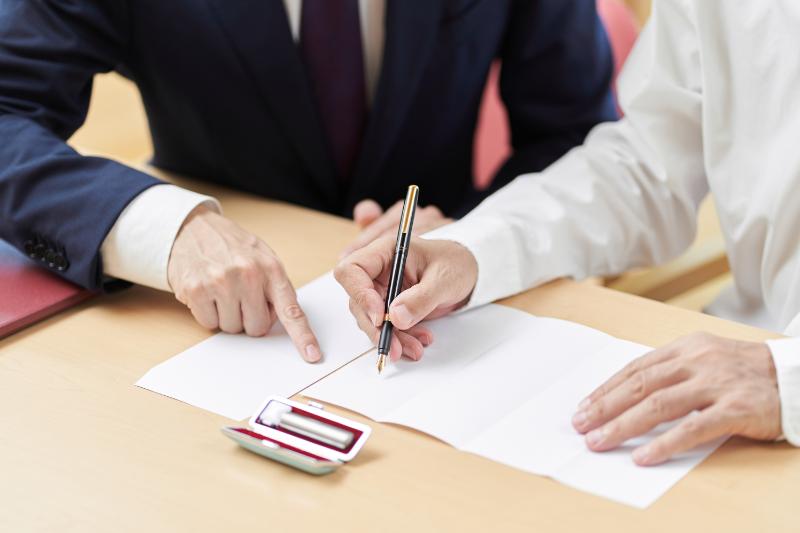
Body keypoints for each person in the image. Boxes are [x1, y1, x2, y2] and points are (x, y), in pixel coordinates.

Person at [0, 0, 616, 361]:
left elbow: (575, 132)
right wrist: (163, 227)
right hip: (205, 335)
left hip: (442, 331)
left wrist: (479, 232)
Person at [336, 0, 800, 464]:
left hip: (763, 382)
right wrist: (475, 249)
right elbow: (649, 168)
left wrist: (786, 378)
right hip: (738, 367)